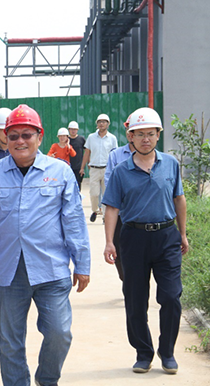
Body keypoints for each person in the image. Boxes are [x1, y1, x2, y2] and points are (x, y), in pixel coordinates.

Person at [0, 104, 91, 386]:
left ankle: (47, 380)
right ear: (5, 138)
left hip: (51, 270)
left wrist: (82, 264)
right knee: (10, 343)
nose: (20, 141)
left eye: (27, 135)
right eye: (13, 136)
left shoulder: (60, 172)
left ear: (40, 136)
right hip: (8, 273)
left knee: (59, 333)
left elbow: (74, 221)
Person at [103, 107, 189, 375]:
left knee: (172, 296)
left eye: (150, 134)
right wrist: (109, 242)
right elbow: (112, 208)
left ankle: (168, 352)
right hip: (134, 238)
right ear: (130, 137)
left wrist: (183, 234)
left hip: (166, 236)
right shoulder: (120, 170)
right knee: (135, 298)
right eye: (139, 134)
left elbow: (179, 199)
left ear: (158, 135)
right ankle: (143, 352)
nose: (145, 139)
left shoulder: (171, 164)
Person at [102, 115, 135, 281]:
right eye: (130, 130)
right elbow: (109, 179)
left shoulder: (156, 158)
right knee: (119, 252)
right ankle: (126, 280)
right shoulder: (116, 155)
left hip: (140, 216)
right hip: (121, 213)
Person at [80, 113, 118, 222]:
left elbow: (114, 154)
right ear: (97, 124)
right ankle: (95, 210)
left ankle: (106, 216)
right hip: (94, 169)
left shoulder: (112, 138)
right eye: (99, 122)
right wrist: (82, 167)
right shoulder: (91, 137)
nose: (102, 124)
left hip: (107, 169)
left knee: (107, 194)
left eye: (104, 122)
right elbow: (87, 153)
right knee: (94, 193)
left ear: (108, 124)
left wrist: (115, 168)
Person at [68, 121, 86, 190]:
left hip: (78, 167)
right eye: (71, 129)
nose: (73, 131)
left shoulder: (81, 139)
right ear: (69, 130)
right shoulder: (66, 140)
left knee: (78, 185)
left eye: (75, 129)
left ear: (77, 130)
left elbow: (86, 152)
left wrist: (85, 165)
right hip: (68, 166)